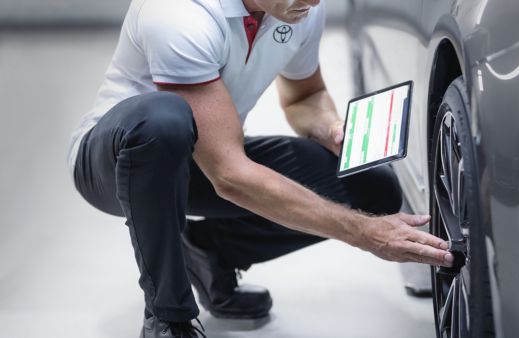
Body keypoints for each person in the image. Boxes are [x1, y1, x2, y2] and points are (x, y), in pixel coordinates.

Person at [68, 0, 454, 336]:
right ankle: (168, 317)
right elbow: (230, 175)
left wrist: (331, 128)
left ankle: (209, 253)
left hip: (208, 150)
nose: (314, 0)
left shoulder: (300, 8)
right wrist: (365, 234)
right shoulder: (179, 13)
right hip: (117, 162)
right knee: (164, 120)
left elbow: (306, 95)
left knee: (371, 190)